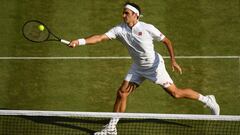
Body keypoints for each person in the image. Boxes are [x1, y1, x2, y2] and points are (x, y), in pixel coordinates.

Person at [69, 2, 220, 135]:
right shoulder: (119, 29)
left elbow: (167, 41)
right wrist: (79, 41)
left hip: (155, 67)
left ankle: (207, 99)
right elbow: (100, 37)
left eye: (126, 13)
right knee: (122, 93)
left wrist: (173, 61)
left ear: (136, 15)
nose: (123, 16)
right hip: (137, 68)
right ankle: (112, 128)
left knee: (176, 93)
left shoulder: (148, 28)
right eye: (123, 13)